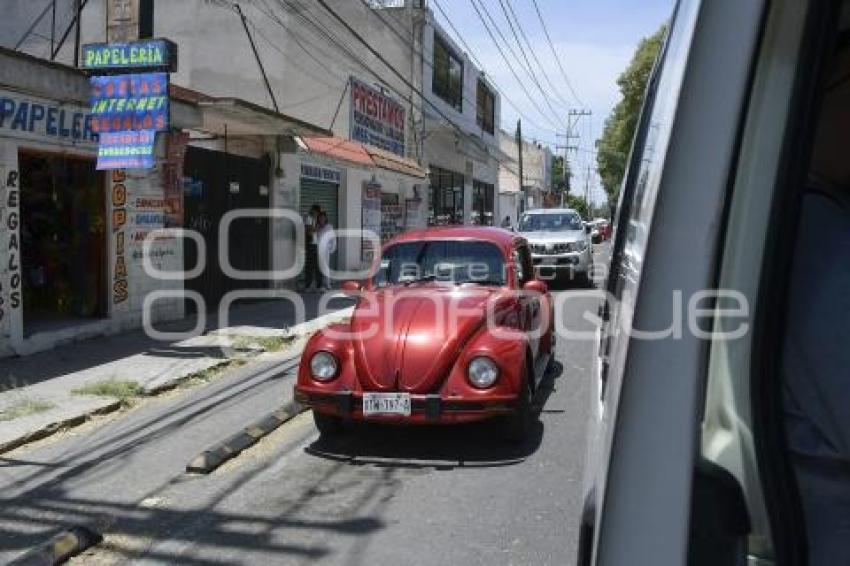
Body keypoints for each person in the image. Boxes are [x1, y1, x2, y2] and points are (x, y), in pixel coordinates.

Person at [302, 204, 322, 291]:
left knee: (317, 266)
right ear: (314, 211)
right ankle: (308, 286)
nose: (318, 214)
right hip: (310, 245)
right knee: (310, 266)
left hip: (315, 245)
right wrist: (317, 229)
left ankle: (318, 285)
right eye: (317, 212)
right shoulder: (309, 218)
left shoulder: (314, 219)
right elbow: (309, 232)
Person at [316, 211, 337, 291]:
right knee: (320, 267)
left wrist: (332, 248)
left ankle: (327, 284)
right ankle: (322, 284)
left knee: (325, 267)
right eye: (320, 217)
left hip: (326, 250)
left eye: (323, 217)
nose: (321, 219)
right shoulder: (317, 226)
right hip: (318, 250)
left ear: (326, 218)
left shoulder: (329, 227)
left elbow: (333, 238)